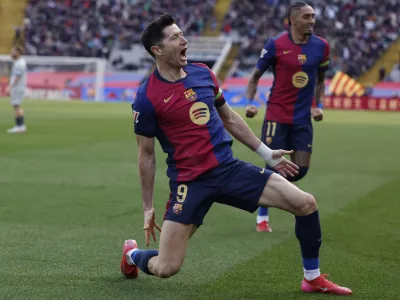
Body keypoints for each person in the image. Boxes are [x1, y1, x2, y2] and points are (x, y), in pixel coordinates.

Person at [121, 13, 351, 295]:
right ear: (157, 50)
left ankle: (312, 278)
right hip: (189, 183)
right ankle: (133, 255)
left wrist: (266, 153)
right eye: (175, 37)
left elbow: (229, 119)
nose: (184, 40)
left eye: (182, 34)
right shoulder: (146, 97)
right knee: (166, 267)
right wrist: (147, 208)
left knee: (305, 203)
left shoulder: (203, 73)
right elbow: (146, 154)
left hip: (228, 170)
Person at [245, 2, 329, 232]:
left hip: (303, 118)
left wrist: (318, 105)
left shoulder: (321, 47)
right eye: (307, 16)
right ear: (293, 20)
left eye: (313, 16)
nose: (312, 20)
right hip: (276, 116)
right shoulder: (276, 45)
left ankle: (272, 193)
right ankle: (262, 217)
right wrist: (250, 104)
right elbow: (254, 77)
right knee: (274, 165)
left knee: (300, 169)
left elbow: (320, 80)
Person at [6, 46, 27, 133]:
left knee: (17, 106)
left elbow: (17, 77)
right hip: (18, 87)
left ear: (18, 52)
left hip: (17, 87)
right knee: (16, 106)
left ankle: (20, 126)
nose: (11, 53)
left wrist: (9, 87)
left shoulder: (19, 64)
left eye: (13, 52)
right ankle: (20, 126)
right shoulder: (20, 62)